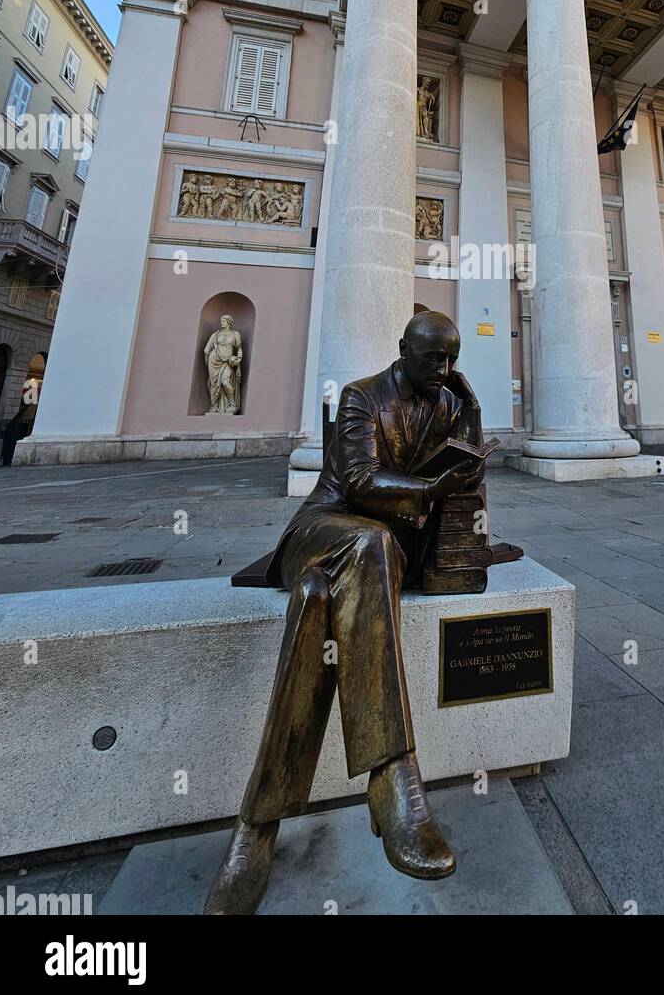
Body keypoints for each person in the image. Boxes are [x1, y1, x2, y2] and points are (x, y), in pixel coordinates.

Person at [205, 311, 486, 914]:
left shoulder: (446, 402)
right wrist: (426, 491)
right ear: (404, 349)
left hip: (377, 556)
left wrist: (472, 413)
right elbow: (358, 481)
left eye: (453, 360)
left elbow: (466, 467)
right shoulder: (362, 396)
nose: (445, 370)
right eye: (434, 358)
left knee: (314, 600)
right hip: (324, 529)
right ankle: (395, 778)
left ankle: (256, 826)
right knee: (367, 543)